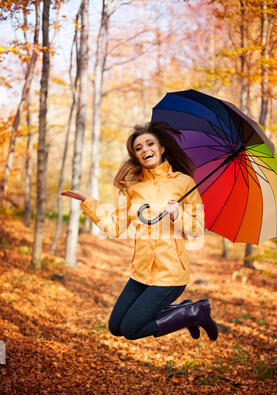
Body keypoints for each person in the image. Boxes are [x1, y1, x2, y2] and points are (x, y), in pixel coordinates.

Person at [61, 121, 218, 342]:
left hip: (170, 274)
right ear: (135, 156)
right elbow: (115, 228)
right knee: (116, 327)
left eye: (149, 144)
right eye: (138, 148)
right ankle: (186, 310)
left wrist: (177, 215)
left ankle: (191, 313)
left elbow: (197, 229)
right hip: (141, 272)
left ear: (161, 148)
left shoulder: (185, 183)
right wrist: (89, 203)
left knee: (132, 329)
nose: (145, 150)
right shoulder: (133, 187)